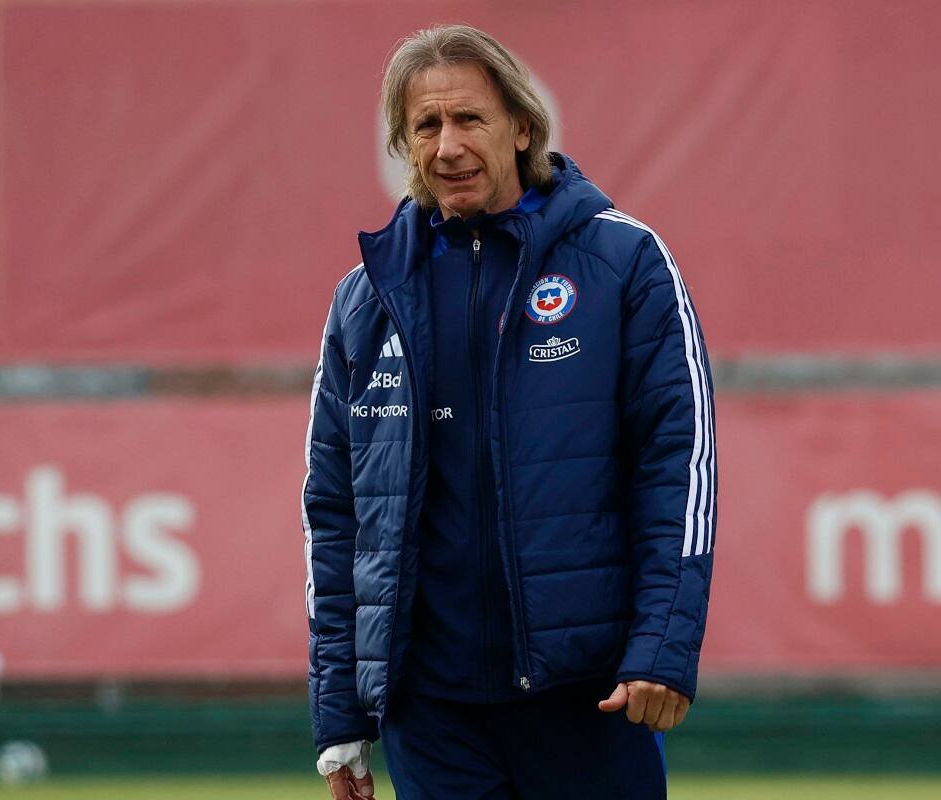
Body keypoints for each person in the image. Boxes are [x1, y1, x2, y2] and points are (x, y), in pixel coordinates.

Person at [301, 24, 717, 800]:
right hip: (431, 713)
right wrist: (341, 714)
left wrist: (661, 647)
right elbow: (337, 514)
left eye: (470, 120)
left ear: (523, 128)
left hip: (588, 698)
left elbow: (679, 470)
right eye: (426, 126)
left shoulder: (624, 262)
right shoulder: (365, 301)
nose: (448, 146)